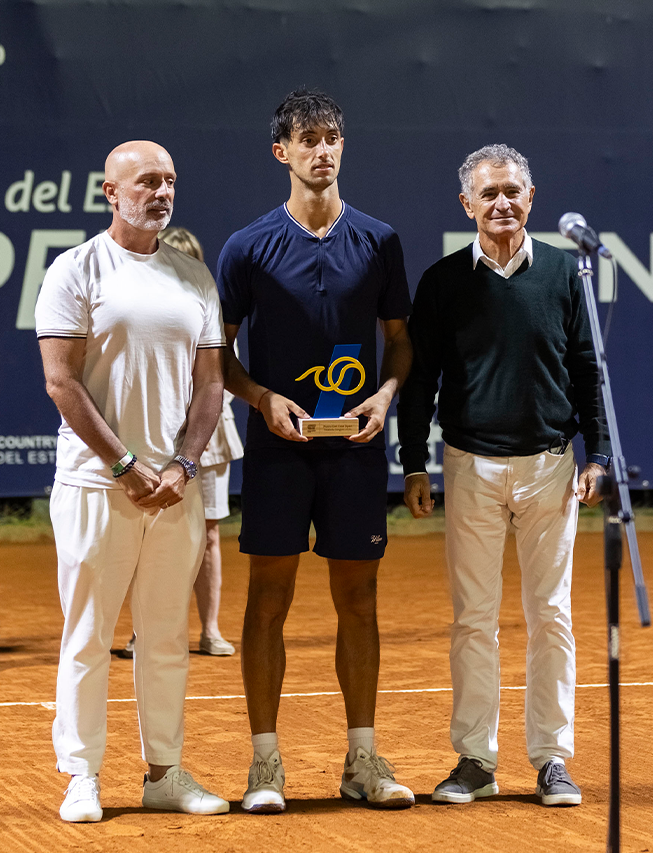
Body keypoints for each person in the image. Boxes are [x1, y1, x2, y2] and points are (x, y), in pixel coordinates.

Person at [216, 89, 414, 812]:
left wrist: (385, 399)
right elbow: (220, 353)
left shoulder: (380, 240)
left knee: (357, 599)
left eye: (331, 137)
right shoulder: (247, 245)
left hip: (356, 448)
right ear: (282, 152)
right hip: (277, 450)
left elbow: (399, 343)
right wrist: (262, 398)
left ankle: (362, 758)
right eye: (307, 139)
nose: (322, 150)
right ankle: (264, 763)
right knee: (268, 598)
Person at [397, 144, 610, 807]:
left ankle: (552, 758)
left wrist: (597, 454)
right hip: (468, 466)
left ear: (531, 196)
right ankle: (475, 760)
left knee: (552, 615)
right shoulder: (440, 282)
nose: (501, 203)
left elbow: (587, 368)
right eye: (487, 193)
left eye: (511, 190)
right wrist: (411, 461)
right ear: (467, 205)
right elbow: (419, 381)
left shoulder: (564, 274)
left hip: (550, 465)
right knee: (473, 620)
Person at [35, 140, 228, 823]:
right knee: (88, 634)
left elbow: (211, 386)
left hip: (175, 490)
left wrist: (181, 465)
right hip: (96, 484)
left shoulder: (194, 278)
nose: (162, 191)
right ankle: (81, 774)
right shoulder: (74, 269)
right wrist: (123, 462)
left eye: (170, 180)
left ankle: (164, 771)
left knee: (166, 637)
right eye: (147, 180)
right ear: (109, 191)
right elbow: (61, 380)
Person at [121, 226, 243, 659]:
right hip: (152, 435)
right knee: (144, 533)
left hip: (208, 439)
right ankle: (144, 632)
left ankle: (210, 630)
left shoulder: (207, 304)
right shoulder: (137, 308)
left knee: (208, 536)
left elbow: (218, 377)